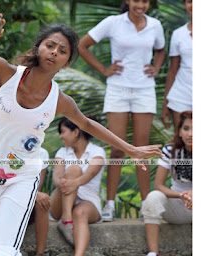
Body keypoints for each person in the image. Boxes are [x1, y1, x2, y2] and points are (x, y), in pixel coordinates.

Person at [0, 8, 162, 256]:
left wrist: (131, 149)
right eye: (50, 45)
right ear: (38, 48)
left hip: (23, 177)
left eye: (62, 51)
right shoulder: (6, 73)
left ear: (66, 63)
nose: (54, 52)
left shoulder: (59, 101)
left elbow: (87, 124)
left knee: (3, 248)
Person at [78, 0, 166, 221]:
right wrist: (103, 70)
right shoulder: (113, 22)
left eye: (145, 1)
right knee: (117, 148)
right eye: (137, 0)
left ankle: (147, 205)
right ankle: (109, 204)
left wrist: (156, 66)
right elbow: (82, 45)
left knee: (141, 149)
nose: (141, 5)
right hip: (117, 89)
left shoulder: (155, 25)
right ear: (128, 0)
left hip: (144, 89)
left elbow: (161, 49)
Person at [49, 117, 105, 256]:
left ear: (75, 132)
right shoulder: (62, 152)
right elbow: (56, 176)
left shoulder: (97, 152)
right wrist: (63, 182)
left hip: (88, 200)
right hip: (61, 200)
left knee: (79, 213)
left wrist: (74, 183)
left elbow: (91, 173)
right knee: (74, 170)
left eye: (63, 131)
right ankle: (66, 219)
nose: (61, 136)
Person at [141, 111, 192, 256]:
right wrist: (181, 195)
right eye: (186, 128)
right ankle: (153, 253)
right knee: (153, 196)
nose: (190, 134)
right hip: (178, 206)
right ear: (180, 132)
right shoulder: (170, 150)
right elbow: (158, 185)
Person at [162, 0, 192, 132]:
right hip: (181, 96)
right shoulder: (178, 34)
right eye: (190, 1)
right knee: (181, 143)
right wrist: (165, 102)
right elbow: (173, 70)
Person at [24, 147, 50, 256]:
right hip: (7, 198)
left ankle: (40, 253)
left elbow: (37, 187)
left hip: (28, 201)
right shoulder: (7, 150)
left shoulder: (42, 153)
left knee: (43, 201)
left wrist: (33, 194)